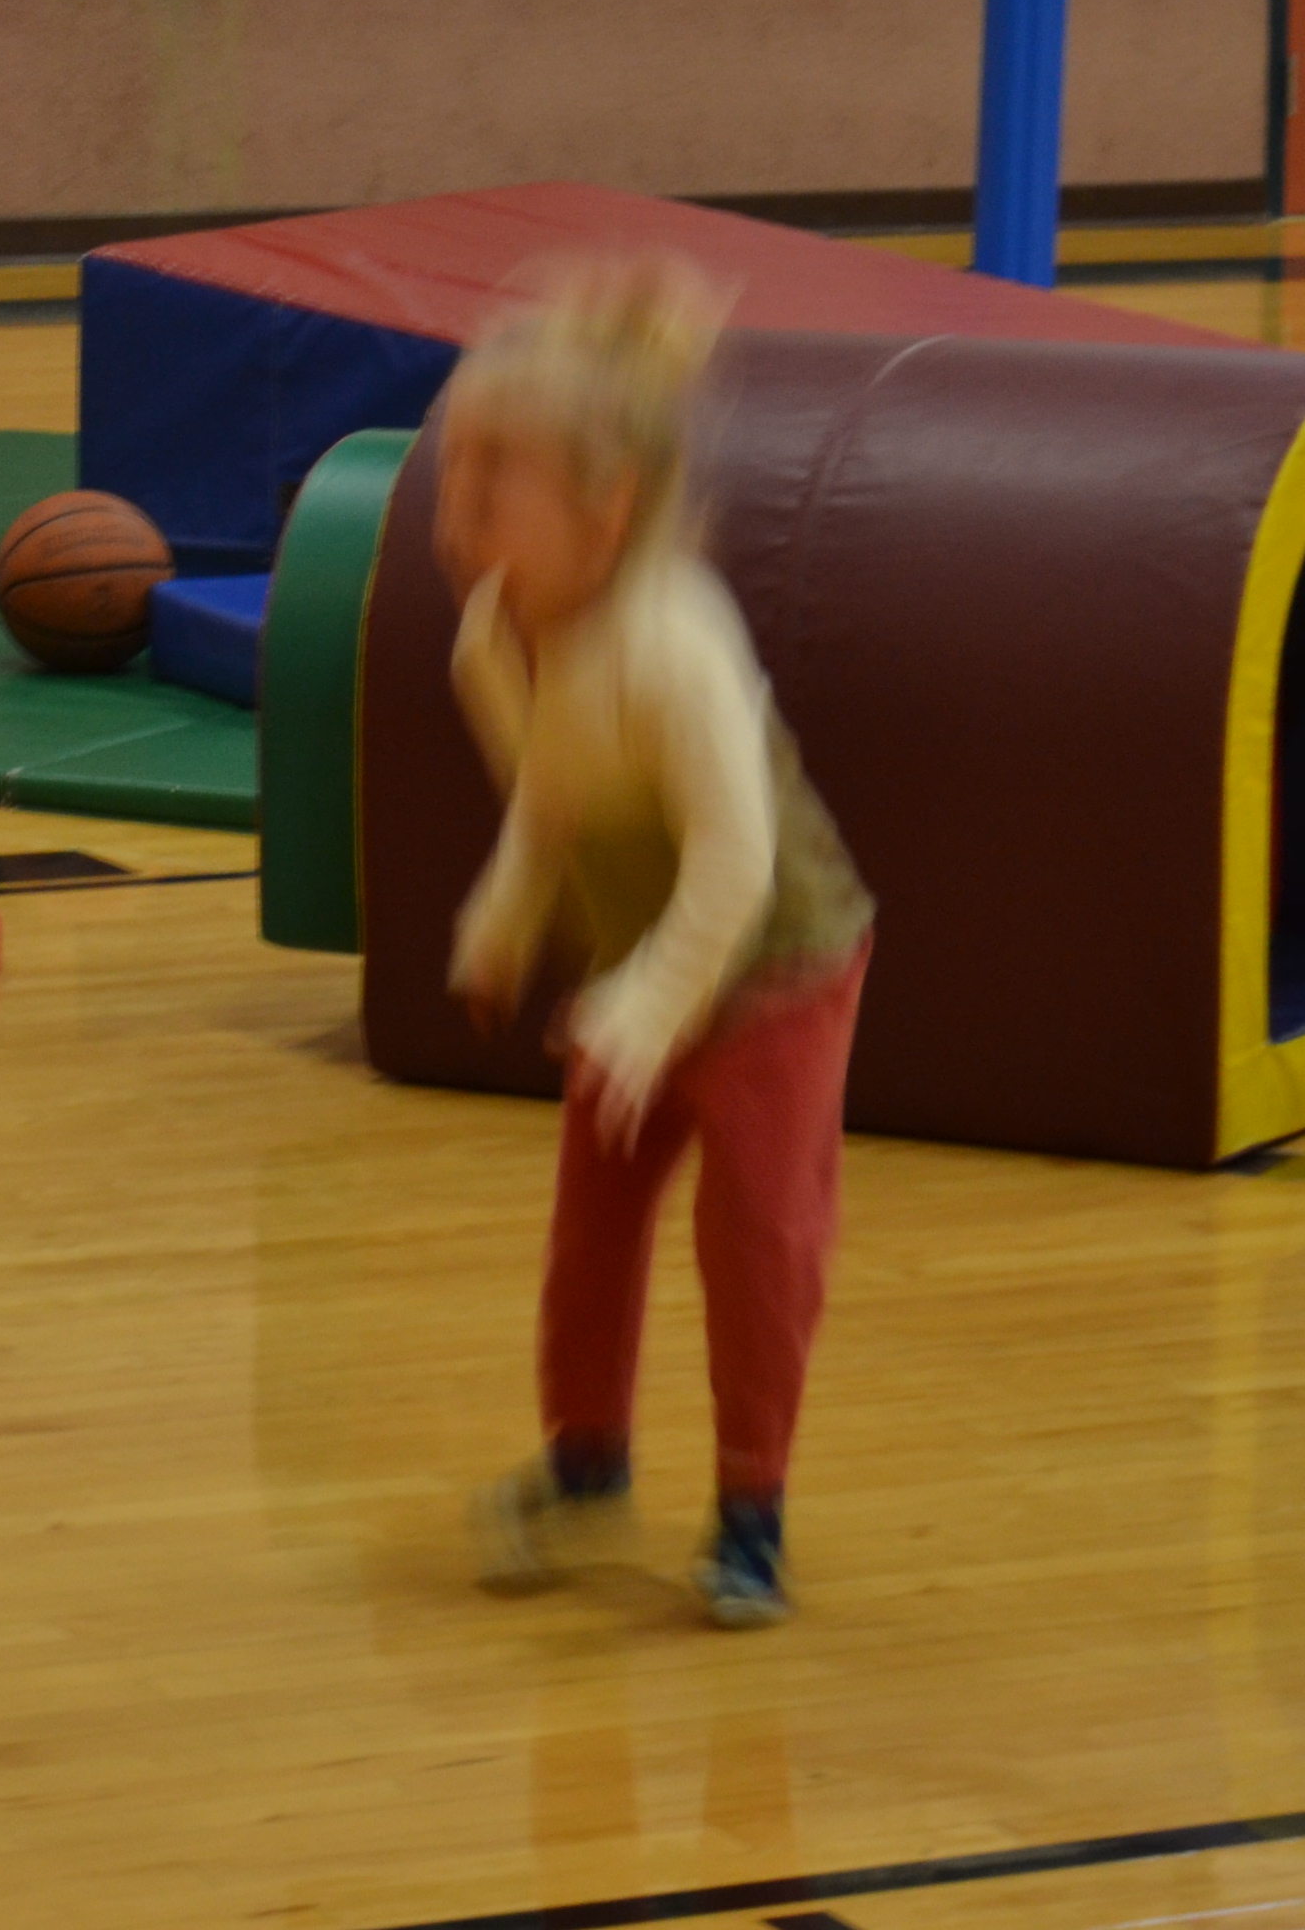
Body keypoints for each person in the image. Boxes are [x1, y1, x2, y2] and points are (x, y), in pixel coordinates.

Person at [441, 260, 873, 1630]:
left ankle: (753, 1509)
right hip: (641, 972)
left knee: (758, 1243)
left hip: (772, 968)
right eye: (455, 466)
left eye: (494, 477)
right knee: (592, 1232)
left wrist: (645, 1008)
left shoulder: (673, 642)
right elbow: (554, 802)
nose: (457, 505)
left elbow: (739, 864)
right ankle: (586, 1464)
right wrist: (506, 919)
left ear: (606, 508)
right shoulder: (488, 640)